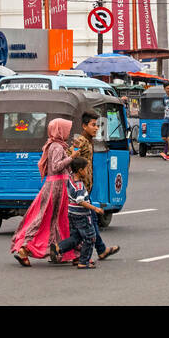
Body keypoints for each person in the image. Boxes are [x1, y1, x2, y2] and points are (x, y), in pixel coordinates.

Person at [10, 118, 75, 266]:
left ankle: (56, 251)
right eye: (66, 130)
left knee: (51, 220)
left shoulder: (53, 145)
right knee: (50, 220)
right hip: (57, 188)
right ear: (59, 130)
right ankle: (25, 248)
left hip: (53, 186)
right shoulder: (57, 147)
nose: (68, 133)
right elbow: (57, 166)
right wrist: (72, 158)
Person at [66, 111, 119, 260]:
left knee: (91, 220)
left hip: (86, 188)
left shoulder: (88, 141)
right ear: (84, 126)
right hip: (80, 190)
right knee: (89, 222)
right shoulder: (81, 141)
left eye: (97, 125)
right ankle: (81, 253)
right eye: (93, 125)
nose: (96, 128)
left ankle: (99, 250)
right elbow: (70, 157)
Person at [49, 157, 106, 269]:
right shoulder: (79, 185)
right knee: (90, 238)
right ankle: (83, 261)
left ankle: (58, 248)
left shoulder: (70, 178)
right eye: (86, 169)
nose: (87, 172)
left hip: (71, 214)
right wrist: (95, 209)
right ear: (80, 170)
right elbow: (80, 201)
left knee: (76, 238)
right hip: (82, 215)